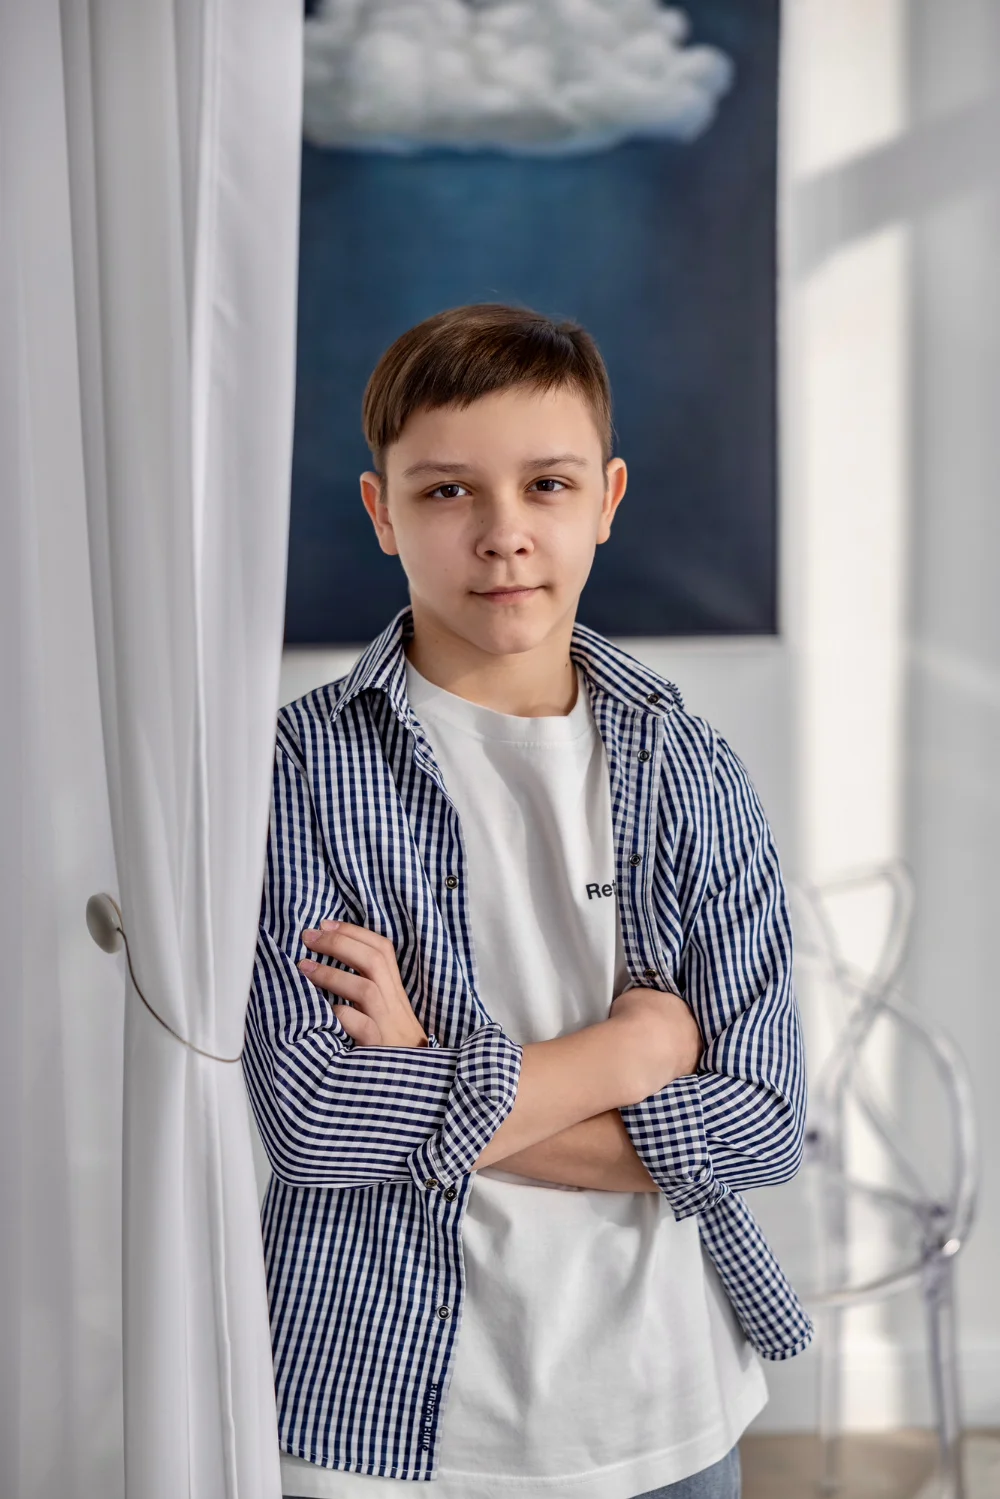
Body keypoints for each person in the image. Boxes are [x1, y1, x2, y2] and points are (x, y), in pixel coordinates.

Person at [244, 303, 814, 1499]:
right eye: (447, 491)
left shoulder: (690, 769)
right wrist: (627, 1052)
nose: (503, 533)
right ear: (381, 511)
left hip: (667, 1407)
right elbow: (315, 1116)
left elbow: (760, 1122)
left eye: (546, 484)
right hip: (383, 1415)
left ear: (606, 498)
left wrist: (423, 1069)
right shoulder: (294, 771)